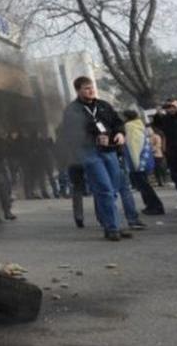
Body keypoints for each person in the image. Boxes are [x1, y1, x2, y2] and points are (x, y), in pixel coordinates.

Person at [60, 77, 130, 241]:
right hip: (89, 152)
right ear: (78, 90)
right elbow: (71, 134)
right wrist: (94, 137)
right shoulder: (72, 110)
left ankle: (110, 223)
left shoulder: (103, 105)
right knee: (103, 187)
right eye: (86, 88)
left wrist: (119, 133)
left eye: (92, 87)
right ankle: (112, 228)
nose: (91, 91)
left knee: (112, 189)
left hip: (109, 151)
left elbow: (117, 122)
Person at [122, 111, 165, 215]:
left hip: (137, 162)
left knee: (144, 186)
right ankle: (151, 205)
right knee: (144, 185)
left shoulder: (130, 127)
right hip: (144, 160)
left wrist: (136, 163)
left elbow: (134, 146)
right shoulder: (140, 126)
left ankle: (155, 206)